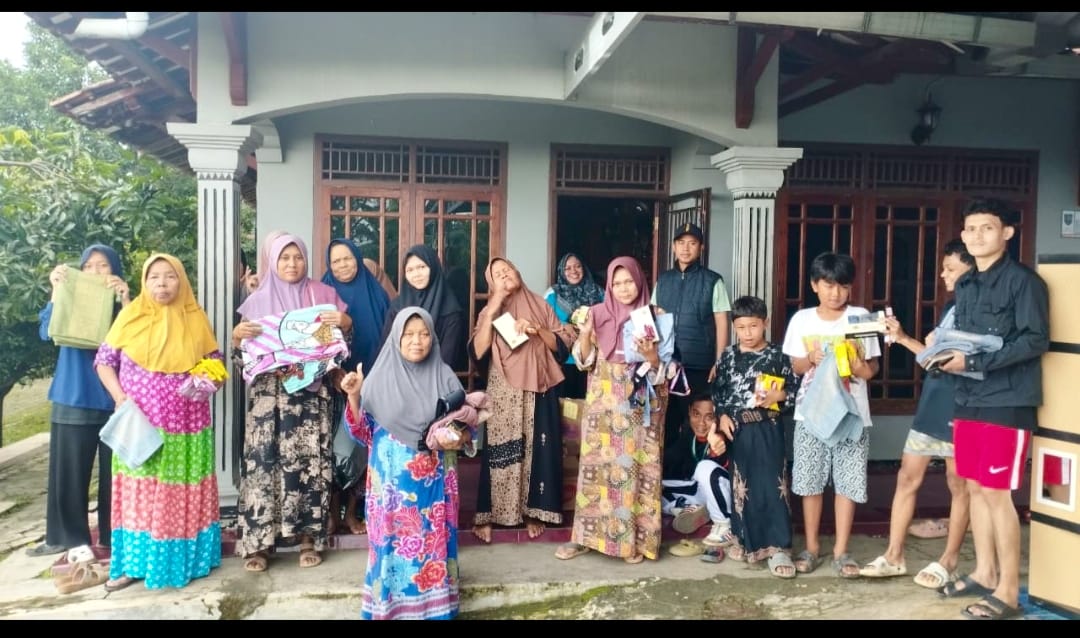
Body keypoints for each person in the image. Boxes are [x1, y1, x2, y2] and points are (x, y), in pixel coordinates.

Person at [937, 200, 1048, 621]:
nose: (977, 235)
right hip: (969, 397)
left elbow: (1034, 340)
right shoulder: (966, 284)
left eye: (987, 227)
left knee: (997, 493)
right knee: (975, 487)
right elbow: (966, 338)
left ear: (1007, 233)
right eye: (971, 228)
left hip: (1008, 399)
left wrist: (974, 361)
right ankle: (985, 572)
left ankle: (1009, 592)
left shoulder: (1024, 282)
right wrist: (943, 352)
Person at [342, 307, 484, 620]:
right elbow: (361, 433)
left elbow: (467, 426)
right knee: (391, 551)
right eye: (408, 334)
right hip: (391, 492)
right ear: (396, 338)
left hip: (435, 490)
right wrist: (354, 396)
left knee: (434, 550)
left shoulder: (445, 376)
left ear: (433, 338)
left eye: (424, 334)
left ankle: (435, 611)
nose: (417, 341)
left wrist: (459, 436)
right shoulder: (377, 380)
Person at [93, 253, 223, 591]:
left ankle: (183, 561)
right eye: (154, 277)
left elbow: (215, 362)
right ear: (144, 281)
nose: (162, 283)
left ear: (181, 280)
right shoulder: (130, 316)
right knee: (139, 490)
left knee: (179, 491)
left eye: (170, 276)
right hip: (139, 424)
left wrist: (208, 379)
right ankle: (134, 564)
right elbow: (104, 361)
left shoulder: (195, 317)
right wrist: (120, 397)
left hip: (187, 426)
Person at [858, 239, 975, 589]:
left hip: (963, 404)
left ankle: (949, 560)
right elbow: (933, 359)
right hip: (933, 401)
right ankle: (894, 555)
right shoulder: (951, 308)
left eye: (950, 269)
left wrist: (910, 341)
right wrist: (903, 337)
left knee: (958, 484)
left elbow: (945, 360)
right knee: (907, 477)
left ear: (972, 270)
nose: (943, 275)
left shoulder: (981, 313)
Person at [232, 233, 351, 572]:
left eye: (297, 257)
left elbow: (337, 345)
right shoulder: (256, 302)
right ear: (272, 261)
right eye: (284, 258)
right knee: (263, 468)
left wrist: (345, 323)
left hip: (309, 399)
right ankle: (260, 545)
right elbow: (242, 359)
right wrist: (237, 338)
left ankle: (308, 539)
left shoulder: (322, 296)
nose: (292, 264)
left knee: (310, 466)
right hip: (268, 403)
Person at [555, 256, 673, 564]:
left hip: (641, 403)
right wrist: (584, 333)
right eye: (616, 283)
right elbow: (584, 361)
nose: (623, 288)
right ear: (608, 285)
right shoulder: (596, 314)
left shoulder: (656, 316)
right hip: (604, 402)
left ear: (640, 281)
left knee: (637, 469)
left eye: (629, 281)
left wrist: (653, 356)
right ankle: (584, 538)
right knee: (598, 470)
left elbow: (667, 371)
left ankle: (634, 540)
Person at [25, 245, 131, 560]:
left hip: (117, 398)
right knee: (68, 474)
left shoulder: (124, 307)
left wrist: (125, 300)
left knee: (118, 475)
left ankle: (116, 535)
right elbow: (46, 332)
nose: (95, 272)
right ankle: (65, 537)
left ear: (115, 271)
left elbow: (138, 342)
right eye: (88, 266)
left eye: (103, 265)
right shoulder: (69, 300)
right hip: (72, 395)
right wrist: (57, 290)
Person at [781, 252, 881, 578]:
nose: (835, 293)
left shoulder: (860, 317)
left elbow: (871, 370)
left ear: (850, 287)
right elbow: (794, 367)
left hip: (852, 415)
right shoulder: (802, 320)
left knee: (847, 483)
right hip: (810, 414)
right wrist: (810, 358)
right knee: (810, 482)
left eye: (842, 286)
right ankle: (811, 548)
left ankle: (841, 551)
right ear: (814, 285)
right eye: (828, 285)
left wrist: (857, 366)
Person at [469, 257, 574, 542]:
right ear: (492, 284)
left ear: (518, 272)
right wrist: (496, 302)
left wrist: (537, 329)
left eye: (508, 270)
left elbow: (563, 344)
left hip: (540, 384)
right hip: (504, 389)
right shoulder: (490, 311)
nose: (505, 275)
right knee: (501, 452)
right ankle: (491, 515)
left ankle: (532, 513)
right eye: (498, 275)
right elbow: (478, 349)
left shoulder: (540, 304)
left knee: (537, 449)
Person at [712, 295, 799, 578]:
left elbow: (796, 391)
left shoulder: (778, 355)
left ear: (766, 323)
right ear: (734, 327)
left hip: (769, 427)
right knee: (742, 487)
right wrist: (722, 416)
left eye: (753, 326)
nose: (747, 333)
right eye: (741, 327)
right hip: (738, 430)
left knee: (773, 487)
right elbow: (719, 393)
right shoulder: (727, 356)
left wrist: (779, 396)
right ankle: (744, 541)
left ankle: (778, 547)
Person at [322, 238, 392, 537]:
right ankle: (332, 513)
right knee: (333, 448)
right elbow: (315, 339)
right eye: (336, 261)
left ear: (358, 259)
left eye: (348, 259)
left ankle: (353, 513)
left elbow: (390, 337)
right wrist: (333, 372)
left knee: (361, 448)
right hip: (334, 383)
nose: (342, 265)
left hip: (372, 381)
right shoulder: (322, 293)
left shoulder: (377, 293)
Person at [652, 223, 731, 448]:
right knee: (667, 420)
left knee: (697, 421)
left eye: (692, 243)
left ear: (701, 248)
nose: (686, 248)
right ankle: (669, 467)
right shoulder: (663, 280)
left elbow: (721, 321)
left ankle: (697, 466)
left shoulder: (713, 280)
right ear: (673, 247)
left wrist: (719, 360)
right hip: (667, 364)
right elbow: (653, 315)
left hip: (699, 364)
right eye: (681, 243)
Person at [660, 393, 733, 548]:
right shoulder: (688, 435)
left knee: (705, 467)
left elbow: (720, 463)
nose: (701, 423)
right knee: (653, 486)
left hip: (726, 495)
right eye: (696, 414)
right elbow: (668, 458)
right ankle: (684, 508)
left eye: (709, 417)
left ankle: (723, 525)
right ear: (689, 412)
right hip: (700, 494)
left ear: (718, 417)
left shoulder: (725, 436)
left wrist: (716, 449)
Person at [382, 244, 467, 371]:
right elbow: (386, 350)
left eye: (421, 267)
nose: (416, 274)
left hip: (435, 378)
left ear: (433, 267)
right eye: (410, 270)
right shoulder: (397, 307)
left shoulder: (450, 311)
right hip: (398, 376)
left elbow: (447, 360)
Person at [543, 252, 604, 399]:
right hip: (563, 361)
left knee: (590, 404)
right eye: (568, 268)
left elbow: (610, 317)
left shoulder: (598, 292)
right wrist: (562, 325)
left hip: (592, 359)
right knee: (565, 406)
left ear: (584, 268)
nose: (574, 271)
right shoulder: (553, 294)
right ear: (561, 271)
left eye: (578, 266)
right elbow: (542, 320)